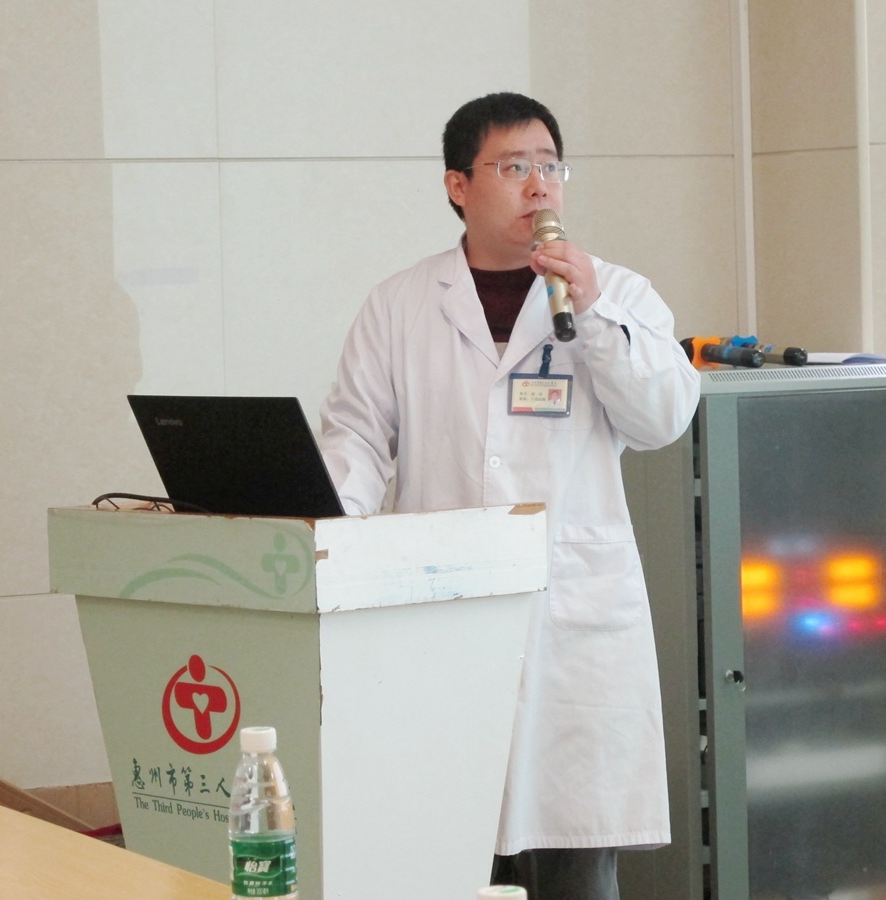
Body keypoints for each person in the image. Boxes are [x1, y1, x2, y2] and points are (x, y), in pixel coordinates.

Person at [319, 92, 700, 900]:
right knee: (445, 855)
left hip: (570, 625)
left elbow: (664, 417)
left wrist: (592, 313)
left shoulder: (616, 295)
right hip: (442, 617)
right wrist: (328, 535)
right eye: (514, 166)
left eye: (551, 167)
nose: (539, 186)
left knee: (574, 866)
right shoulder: (400, 303)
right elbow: (356, 436)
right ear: (458, 184)